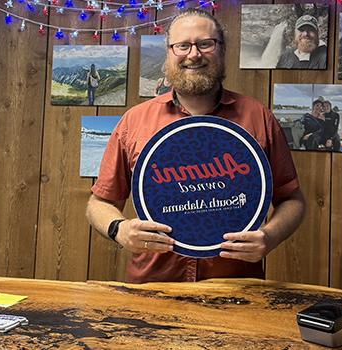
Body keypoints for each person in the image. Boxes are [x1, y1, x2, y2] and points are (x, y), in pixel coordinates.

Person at [85, 9, 306, 284]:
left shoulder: (258, 116)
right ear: (169, 53)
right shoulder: (135, 121)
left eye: (205, 44)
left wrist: (269, 237)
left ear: (221, 51)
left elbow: (292, 199)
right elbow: (100, 202)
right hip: (153, 286)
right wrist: (119, 229)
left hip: (235, 289)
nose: (194, 54)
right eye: (183, 45)